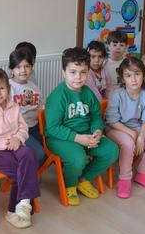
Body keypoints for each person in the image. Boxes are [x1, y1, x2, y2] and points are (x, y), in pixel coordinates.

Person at [44, 47, 118, 206]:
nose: (78, 77)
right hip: (60, 138)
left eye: (83, 72)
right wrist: (78, 138)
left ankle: (83, 179)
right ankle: (70, 185)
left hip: (86, 134)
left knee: (111, 151)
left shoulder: (88, 93)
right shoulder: (57, 96)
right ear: (64, 73)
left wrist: (97, 131)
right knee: (78, 158)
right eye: (72, 72)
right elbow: (53, 128)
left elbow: (96, 116)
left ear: (88, 72)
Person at [0, 68, 40, 228]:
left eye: (2, 88)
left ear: (8, 88)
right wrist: (5, 143)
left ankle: (23, 204)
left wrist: (18, 138)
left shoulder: (14, 106)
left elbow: (23, 128)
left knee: (29, 153)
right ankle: (13, 212)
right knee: (20, 172)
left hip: (15, 145)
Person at [106, 57, 145, 198]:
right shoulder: (116, 94)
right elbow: (112, 120)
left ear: (143, 75)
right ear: (123, 78)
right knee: (128, 144)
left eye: (137, 74)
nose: (134, 79)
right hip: (116, 128)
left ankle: (142, 173)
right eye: (128, 75)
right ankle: (124, 179)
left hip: (136, 127)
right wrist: (130, 133)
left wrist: (141, 137)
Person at [8, 48, 46, 167]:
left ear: (31, 67)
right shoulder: (7, 87)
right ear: (11, 69)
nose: (23, 70)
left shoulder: (34, 87)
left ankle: (32, 172)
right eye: (18, 67)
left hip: (35, 127)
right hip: (18, 129)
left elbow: (41, 108)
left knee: (51, 148)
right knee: (39, 154)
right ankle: (27, 175)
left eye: (27, 66)